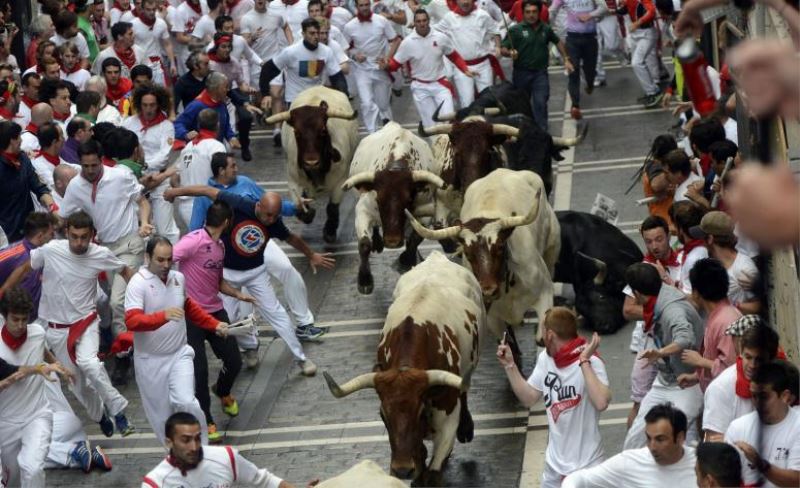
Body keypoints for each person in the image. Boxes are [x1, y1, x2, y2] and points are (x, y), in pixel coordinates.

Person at [164, 184, 335, 376]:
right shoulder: (239, 203)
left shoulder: (274, 222)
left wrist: (311, 254)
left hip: (256, 273)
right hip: (228, 273)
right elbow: (206, 190)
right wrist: (174, 192)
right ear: (259, 206)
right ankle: (249, 348)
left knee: (277, 314)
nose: (270, 220)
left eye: (274, 216)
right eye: (268, 214)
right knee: (231, 319)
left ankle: (301, 358)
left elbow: (291, 238)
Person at [0, 211, 136, 436]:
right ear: (66, 233)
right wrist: (3, 291)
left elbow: (126, 270)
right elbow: (24, 269)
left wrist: (138, 300)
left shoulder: (101, 254)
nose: (79, 242)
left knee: (90, 364)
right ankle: (100, 415)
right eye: (74, 236)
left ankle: (119, 412)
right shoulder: (51, 250)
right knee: (76, 383)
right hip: (56, 329)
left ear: (92, 235)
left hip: (86, 322)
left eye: (84, 237)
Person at [58, 140, 153, 385]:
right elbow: (64, 217)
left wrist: (143, 223)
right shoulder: (76, 186)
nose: (90, 170)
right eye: (85, 166)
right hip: (104, 251)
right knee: (119, 301)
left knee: (116, 300)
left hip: (129, 243)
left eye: (93, 165)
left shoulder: (121, 176)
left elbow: (141, 200)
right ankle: (137, 338)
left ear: (102, 160)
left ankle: (122, 355)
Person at [124, 236, 229, 446]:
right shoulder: (138, 283)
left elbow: (189, 306)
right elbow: (132, 321)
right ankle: (174, 458)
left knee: (187, 402)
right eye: (160, 260)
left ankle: (203, 449)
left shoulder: (178, 278)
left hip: (179, 354)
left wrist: (214, 324)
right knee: (162, 417)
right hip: (150, 362)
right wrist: (162, 316)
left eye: (169, 259)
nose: (165, 265)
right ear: (147, 258)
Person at [497, 307, 610, 486]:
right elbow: (529, 398)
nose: (541, 336)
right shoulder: (546, 359)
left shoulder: (592, 361)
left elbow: (601, 402)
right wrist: (510, 365)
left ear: (550, 335)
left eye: (542, 330)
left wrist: (584, 362)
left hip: (586, 467)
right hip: (554, 468)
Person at [173, 202, 247, 443]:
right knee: (199, 371)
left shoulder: (220, 245)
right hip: (192, 316)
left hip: (215, 312)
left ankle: (223, 391)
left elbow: (218, 282)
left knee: (234, 361)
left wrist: (237, 294)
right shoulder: (193, 241)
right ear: (227, 223)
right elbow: (166, 259)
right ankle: (206, 419)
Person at [622, 262, 704, 449]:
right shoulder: (659, 297)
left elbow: (685, 337)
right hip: (665, 380)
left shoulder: (671, 310)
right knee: (634, 442)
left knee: (674, 442)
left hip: (688, 383)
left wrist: (660, 352)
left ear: (637, 294)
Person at [621, 215, 681, 428]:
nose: (654, 246)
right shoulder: (641, 269)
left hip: (679, 345)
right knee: (639, 403)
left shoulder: (684, 263)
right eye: (649, 241)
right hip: (648, 346)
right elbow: (628, 309)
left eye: (659, 239)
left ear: (669, 236)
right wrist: (660, 311)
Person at [0, 287, 60, 488]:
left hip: (37, 415)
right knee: (13, 480)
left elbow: (41, 349)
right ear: (4, 316)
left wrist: (57, 365)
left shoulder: (38, 333)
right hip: (5, 422)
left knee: (33, 468)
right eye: (15, 319)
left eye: (24, 319)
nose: (20, 325)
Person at [142, 412, 298, 487]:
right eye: (185, 440)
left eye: (197, 438)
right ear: (169, 442)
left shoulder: (225, 457)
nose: (194, 447)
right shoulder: (155, 483)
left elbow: (266, 480)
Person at [562, 404, 698, 487]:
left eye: (660, 439)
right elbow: (579, 479)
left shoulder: (701, 463)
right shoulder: (630, 462)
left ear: (680, 437)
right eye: (648, 438)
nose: (652, 447)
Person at [381, 9, 473, 128]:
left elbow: (454, 56)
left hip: (441, 86)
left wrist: (465, 69)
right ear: (414, 23)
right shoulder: (408, 43)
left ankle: (450, 145)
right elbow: (395, 64)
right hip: (420, 88)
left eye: (424, 20)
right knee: (430, 125)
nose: (422, 23)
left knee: (448, 120)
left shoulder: (441, 37)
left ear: (429, 21)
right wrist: (386, 66)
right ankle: (435, 145)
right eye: (418, 21)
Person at [724, 360, 800, 488]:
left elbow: (796, 481)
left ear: (785, 396)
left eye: (764, 396)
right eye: (754, 396)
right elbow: (726, 479)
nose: (757, 403)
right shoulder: (737, 427)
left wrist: (760, 464)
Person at [702, 320, 780, 441]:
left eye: (759, 360)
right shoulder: (720, 388)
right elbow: (712, 442)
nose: (753, 365)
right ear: (740, 353)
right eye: (748, 357)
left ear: (772, 359)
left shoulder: (782, 380)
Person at [501, 0, 573, 131]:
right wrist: (510, 52)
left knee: (541, 102)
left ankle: (542, 132)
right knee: (522, 105)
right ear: (523, 13)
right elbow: (503, 49)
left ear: (539, 12)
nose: (531, 15)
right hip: (521, 74)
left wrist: (566, 59)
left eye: (534, 12)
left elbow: (558, 42)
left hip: (540, 74)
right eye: (528, 12)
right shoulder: (515, 30)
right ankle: (524, 132)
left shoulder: (545, 28)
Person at [122, 84, 180, 243]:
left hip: (159, 180)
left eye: (152, 105)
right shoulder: (128, 123)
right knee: (138, 228)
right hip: (134, 181)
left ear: (159, 104)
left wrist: (144, 167)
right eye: (145, 105)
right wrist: (137, 170)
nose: (148, 109)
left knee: (165, 229)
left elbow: (164, 155)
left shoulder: (166, 126)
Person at [676, 258, 738, 391]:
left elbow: (733, 369)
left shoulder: (726, 321)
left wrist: (700, 361)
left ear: (696, 293)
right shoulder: (720, 315)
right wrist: (696, 377)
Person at [259, 18, 349, 107]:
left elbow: (337, 78)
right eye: (312, 33)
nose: (316, 36)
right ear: (303, 34)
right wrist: (266, 94)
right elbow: (268, 69)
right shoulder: (290, 52)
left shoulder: (326, 51)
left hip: (316, 98)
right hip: (295, 99)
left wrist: (344, 97)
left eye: (317, 33)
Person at [342, 0, 399, 133]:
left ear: (370, 5)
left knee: (383, 105)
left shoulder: (381, 21)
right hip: (361, 70)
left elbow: (395, 40)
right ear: (356, 7)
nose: (364, 8)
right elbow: (343, 48)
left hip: (380, 68)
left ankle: (391, 132)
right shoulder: (349, 26)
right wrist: (355, 56)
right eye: (361, 5)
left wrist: (387, 58)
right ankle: (372, 134)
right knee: (367, 103)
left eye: (367, 4)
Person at [689, 211, 761, 314]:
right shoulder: (711, 266)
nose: (702, 244)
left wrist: (730, 306)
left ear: (710, 239)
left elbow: (757, 307)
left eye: (703, 239)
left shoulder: (743, 267)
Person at [434, 0, 501, 109]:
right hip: (462, 68)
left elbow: (495, 30)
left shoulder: (483, 15)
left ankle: (487, 125)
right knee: (467, 102)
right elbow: (434, 32)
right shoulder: (449, 18)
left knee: (488, 100)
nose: (465, 2)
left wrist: (497, 46)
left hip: (483, 65)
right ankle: (469, 125)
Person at [0, 121, 57, 244]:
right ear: (12, 140)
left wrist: (53, 207)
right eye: (19, 137)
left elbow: (38, 187)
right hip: (6, 233)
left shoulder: (23, 158)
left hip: (29, 229)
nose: (21, 140)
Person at [207, 32, 259, 161]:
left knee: (246, 116)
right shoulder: (209, 63)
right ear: (216, 47)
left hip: (230, 92)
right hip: (212, 97)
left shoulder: (234, 62)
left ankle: (245, 145)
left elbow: (241, 84)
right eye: (223, 47)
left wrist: (249, 89)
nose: (227, 50)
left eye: (229, 47)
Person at [548, 0, 604, 120]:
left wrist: (590, 15)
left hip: (590, 38)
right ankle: (575, 106)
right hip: (572, 38)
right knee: (573, 71)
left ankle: (589, 84)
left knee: (590, 72)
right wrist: (547, 24)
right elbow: (552, 10)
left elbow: (603, 7)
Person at [175, 108, 226, 227]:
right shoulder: (216, 146)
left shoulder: (187, 147)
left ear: (199, 125)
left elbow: (175, 178)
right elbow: (223, 175)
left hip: (185, 207)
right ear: (217, 124)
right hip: (206, 206)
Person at [0, 213, 56, 320]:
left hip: (39, 320)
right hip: (12, 323)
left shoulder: (48, 254)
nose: (54, 238)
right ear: (40, 236)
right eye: (52, 234)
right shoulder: (12, 255)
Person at [174, 72, 242, 151]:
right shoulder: (196, 105)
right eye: (225, 87)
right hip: (199, 151)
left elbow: (225, 123)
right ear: (215, 88)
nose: (228, 89)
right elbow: (178, 123)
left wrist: (231, 137)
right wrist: (185, 134)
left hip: (217, 148)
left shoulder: (221, 103)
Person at [615, 0, 661, 107]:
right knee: (637, 63)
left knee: (637, 62)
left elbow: (651, 11)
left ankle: (653, 92)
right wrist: (613, 10)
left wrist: (638, 22)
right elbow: (624, 10)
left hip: (646, 33)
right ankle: (653, 90)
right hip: (637, 34)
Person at [131, 0, 178, 87]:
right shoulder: (133, 24)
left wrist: (172, 64)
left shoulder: (161, 23)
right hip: (139, 64)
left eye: (153, 9)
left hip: (157, 64)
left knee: (161, 94)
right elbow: (129, 45)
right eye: (148, 9)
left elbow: (167, 44)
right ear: (143, 9)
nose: (151, 12)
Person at [671, 200, 707, 294]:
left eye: (675, 226)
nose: (673, 229)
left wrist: (667, 280)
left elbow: (693, 302)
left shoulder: (693, 259)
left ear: (681, 229)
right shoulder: (703, 246)